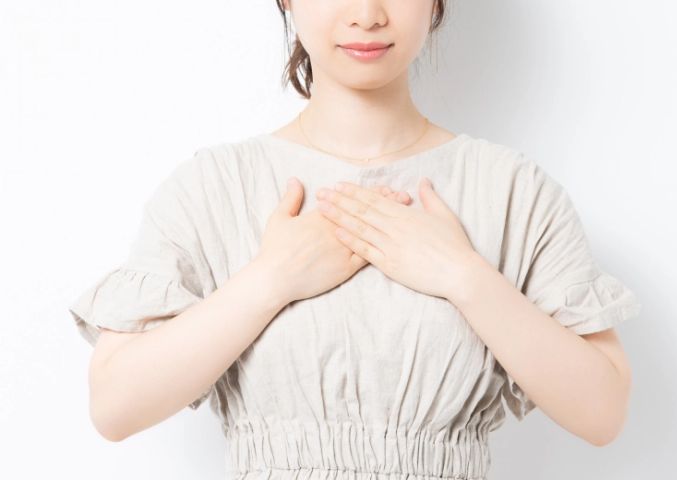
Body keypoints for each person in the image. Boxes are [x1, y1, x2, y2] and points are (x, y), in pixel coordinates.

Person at [69, 1, 643, 478]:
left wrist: (462, 276)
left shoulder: (512, 190)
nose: (367, 15)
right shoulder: (214, 186)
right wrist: (270, 281)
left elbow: (603, 413)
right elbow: (115, 406)